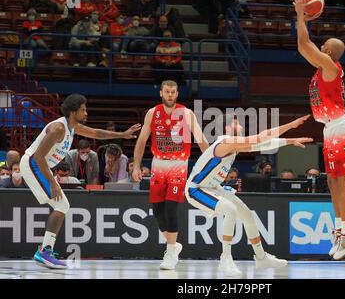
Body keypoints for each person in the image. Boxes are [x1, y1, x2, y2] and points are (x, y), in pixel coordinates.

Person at [19, 94, 140, 269]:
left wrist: (122, 134)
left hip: (41, 165)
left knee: (62, 205)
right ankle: (44, 251)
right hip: (33, 164)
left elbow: (96, 133)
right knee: (61, 205)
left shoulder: (72, 127)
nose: (86, 112)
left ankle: (45, 250)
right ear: (73, 111)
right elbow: (38, 157)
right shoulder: (58, 128)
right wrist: (52, 182)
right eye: (83, 109)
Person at [185, 114, 312, 276]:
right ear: (228, 128)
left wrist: (289, 141)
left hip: (213, 187)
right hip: (196, 189)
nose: (242, 128)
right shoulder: (226, 142)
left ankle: (261, 257)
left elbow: (263, 144)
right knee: (230, 209)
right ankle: (225, 259)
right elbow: (261, 137)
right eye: (238, 125)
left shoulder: (234, 146)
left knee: (247, 215)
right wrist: (290, 125)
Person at [293, 0, 345, 260]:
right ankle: (340, 230)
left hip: (341, 127)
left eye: (324, 45)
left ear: (329, 52)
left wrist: (300, 15)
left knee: (339, 181)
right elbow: (303, 47)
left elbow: (303, 42)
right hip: (330, 128)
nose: (319, 46)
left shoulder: (330, 65)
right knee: (332, 182)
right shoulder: (322, 69)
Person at [132, 80, 209, 271]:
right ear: (161, 93)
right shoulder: (152, 113)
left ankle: (170, 251)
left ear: (177, 94)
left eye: (173, 92)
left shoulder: (186, 113)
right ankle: (174, 245)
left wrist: (210, 168)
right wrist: (136, 166)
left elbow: (201, 141)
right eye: (167, 92)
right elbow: (141, 141)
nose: (170, 95)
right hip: (158, 164)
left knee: (171, 207)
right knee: (157, 210)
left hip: (178, 165)